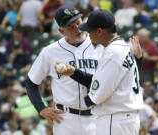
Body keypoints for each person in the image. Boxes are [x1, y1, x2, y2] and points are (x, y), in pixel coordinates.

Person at [56, 9, 144, 135]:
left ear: (99, 31)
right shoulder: (123, 47)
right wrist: (74, 72)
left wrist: (78, 102)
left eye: (89, 30)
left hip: (115, 120)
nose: (87, 33)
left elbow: (96, 96)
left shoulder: (112, 53)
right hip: (125, 119)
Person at [26, 4, 104, 135]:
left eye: (78, 23)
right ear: (62, 31)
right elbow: (31, 82)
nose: (77, 29)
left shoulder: (100, 46)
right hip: (66, 118)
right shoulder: (50, 52)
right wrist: (41, 108)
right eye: (70, 26)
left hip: (98, 115)